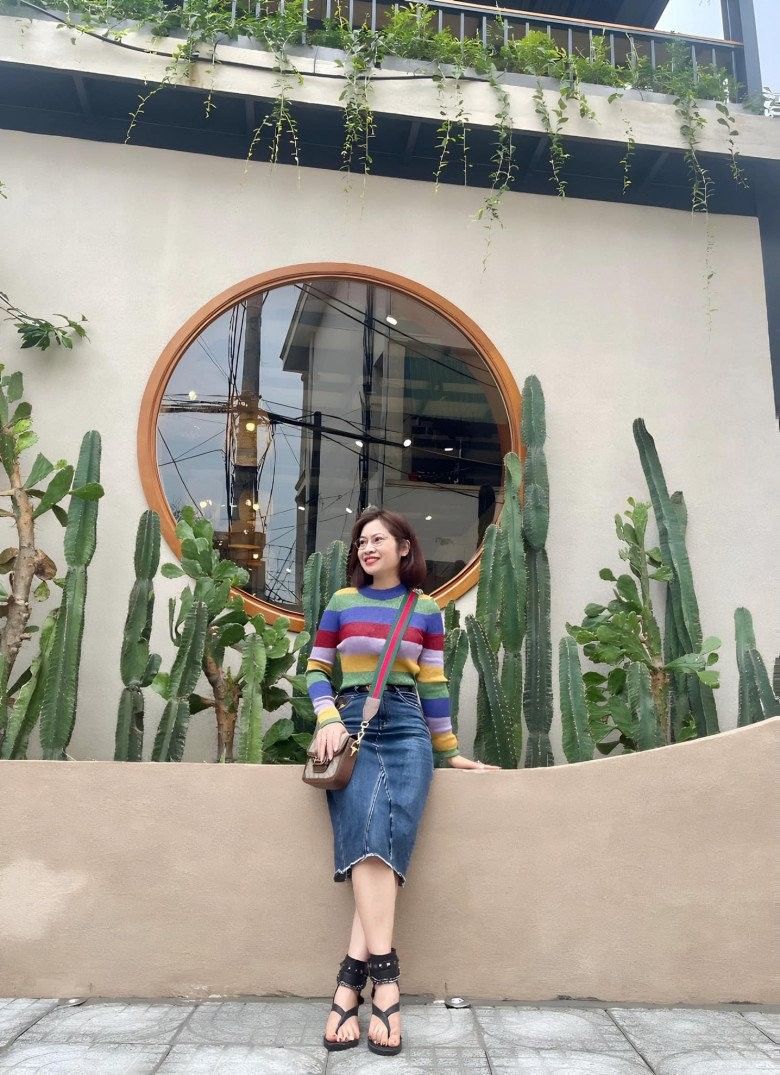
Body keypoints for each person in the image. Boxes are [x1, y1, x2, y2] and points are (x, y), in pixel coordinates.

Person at [306, 507, 500, 1056]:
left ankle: (349, 983)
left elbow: (434, 684)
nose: (367, 548)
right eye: (361, 542)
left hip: (408, 729)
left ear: (404, 547)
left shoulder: (426, 609)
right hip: (353, 726)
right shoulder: (342, 602)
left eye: (378, 540)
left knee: (386, 846)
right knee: (368, 841)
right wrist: (327, 719)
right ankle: (386, 982)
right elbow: (316, 669)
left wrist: (450, 752)